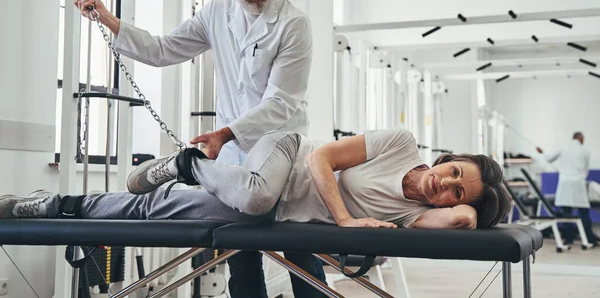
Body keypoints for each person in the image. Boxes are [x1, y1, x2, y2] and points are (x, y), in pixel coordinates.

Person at [72, 0, 324, 297]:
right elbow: (162, 50)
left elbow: (281, 103)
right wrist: (110, 20)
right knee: (241, 252)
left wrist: (224, 134)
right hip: (236, 157)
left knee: (300, 251)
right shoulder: (216, 13)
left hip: (283, 152)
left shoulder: (294, 24)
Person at [1, 128, 511, 233]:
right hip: (284, 154)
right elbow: (323, 161)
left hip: (264, 208)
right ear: (449, 156)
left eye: (455, 191)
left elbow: (460, 221)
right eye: (454, 172)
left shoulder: (416, 214)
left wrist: (477, 206)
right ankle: (187, 164)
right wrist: (346, 219)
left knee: (151, 210)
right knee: (259, 192)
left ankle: (48, 204)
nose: (444, 187)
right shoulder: (400, 144)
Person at [537, 132, 598, 247]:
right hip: (578, 183)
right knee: (584, 213)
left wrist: (542, 152)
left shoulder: (563, 147)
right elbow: (586, 171)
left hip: (565, 184)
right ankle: (590, 239)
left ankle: (569, 239)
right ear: (580, 138)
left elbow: (549, 159)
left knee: (566, 213)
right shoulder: (585, 150)